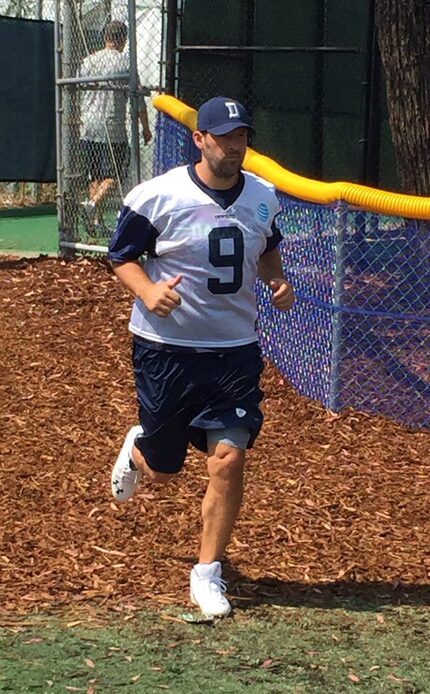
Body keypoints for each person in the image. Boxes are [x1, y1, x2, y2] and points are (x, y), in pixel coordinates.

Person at [107, 96, 295, 618]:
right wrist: (146, 291)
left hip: (234, 353)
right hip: (165, 351)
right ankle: (142, 446)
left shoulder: (264, 195)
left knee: (229, 460)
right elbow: (120, 256)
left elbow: (267, 249)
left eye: (241, 137)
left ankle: (207, 573)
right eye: (224, 136)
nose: (235, 146)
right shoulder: (157, 196)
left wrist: (277, 282)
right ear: (200, 139)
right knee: (164, 471)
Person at [79, 21, 152, 226]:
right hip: (113, 126)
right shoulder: (126, 63)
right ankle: (92, 204)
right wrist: (145, 127)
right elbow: (138, 100)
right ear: (123, 40)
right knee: (115, 174)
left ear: (105, 38)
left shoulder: (88, 61)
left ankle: (96, 219)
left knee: (96, 174)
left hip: (89, 124)